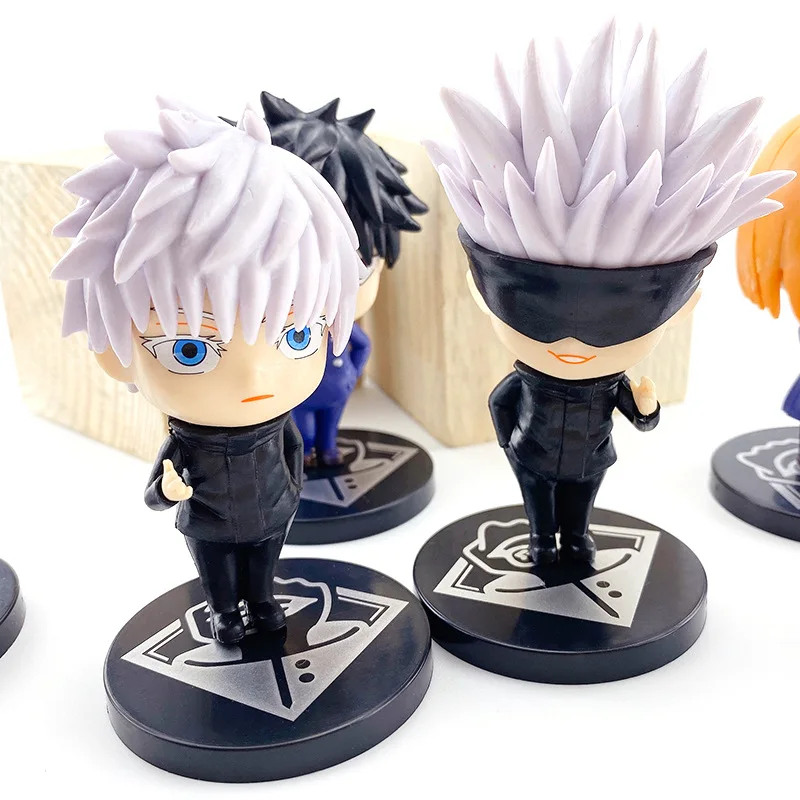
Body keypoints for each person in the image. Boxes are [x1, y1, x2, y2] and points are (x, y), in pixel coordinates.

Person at [427, 21, 793, 564]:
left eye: (618, 325)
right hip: (531, 456)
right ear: (481, 294)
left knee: (580, 505)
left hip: (592, 460)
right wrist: (509, 443)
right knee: (538, 506)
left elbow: (643, 420)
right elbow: (501, 401)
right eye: (533, 316)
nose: (575, 341)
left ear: (683, 307)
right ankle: (540, 539)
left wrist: (646, 405)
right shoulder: (530, 379)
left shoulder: (611, 383)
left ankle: (576, 537)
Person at [51, 98, 362, 643]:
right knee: (217, 574)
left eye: (296, 335)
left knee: (264, 568)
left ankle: (262, 602)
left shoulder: (279, 424)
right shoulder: (184, 440)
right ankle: (224, 613)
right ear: (114, 355)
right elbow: (154, 493)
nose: (254, 379)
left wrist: (290, 492)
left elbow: (292, 450)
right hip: (208, 522)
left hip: (271, 515)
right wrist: (169, 491)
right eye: (189, 350)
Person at [256, 93, 428, 466]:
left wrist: (352, 373)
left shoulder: (344, 330)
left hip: (334, 392)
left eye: (355, 267)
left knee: (325, 432)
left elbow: (362, 346)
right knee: (302, 431)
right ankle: (306, 454)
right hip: (297, 396)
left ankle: (327, 450)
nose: (324, 288)